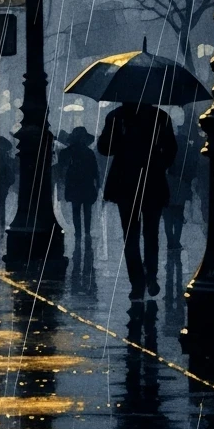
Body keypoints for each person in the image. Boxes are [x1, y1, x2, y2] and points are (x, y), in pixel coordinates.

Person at [97, 103, 177, 300]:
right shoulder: (160, 116)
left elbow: (104, 148)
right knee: (151, 234)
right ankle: (150, 274)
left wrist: (121, 139)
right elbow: (171, 149)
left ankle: (137, 282)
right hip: (153, 182)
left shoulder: (116, 116)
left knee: (130, 235)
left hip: (126, 183)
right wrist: (158, 162)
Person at [57, 127, 100, 246]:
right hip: (86, 185)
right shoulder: (89, 152)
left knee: (76, 209)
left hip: (74, 185)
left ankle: (79, 233)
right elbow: (95, 171)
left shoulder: (67, 152)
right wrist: (98, 185)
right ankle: (86, 232)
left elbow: (61, 170)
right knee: (87, 210)